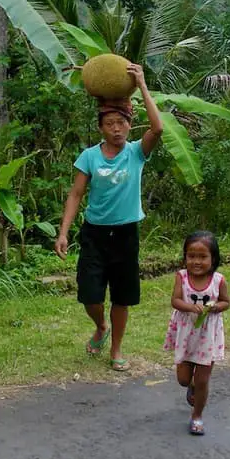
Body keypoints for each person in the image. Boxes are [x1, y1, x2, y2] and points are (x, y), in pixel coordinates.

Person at [55, 63, 163, 371]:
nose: (116, 128)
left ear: (130, 126)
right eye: (110, 123)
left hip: (126, 234)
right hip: (94, 235)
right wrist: (63, 233)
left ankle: (116, 349)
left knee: (122, 296)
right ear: (101, 127)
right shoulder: (89, 156)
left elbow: (157, 129)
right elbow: (75, 194)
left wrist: (142, 83)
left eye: (121, 123)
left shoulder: (136, 154)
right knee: (90, 295)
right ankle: (101, 326)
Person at [164, 230, 230, 434]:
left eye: (203, 257)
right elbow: (175, 300)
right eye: (191, 256)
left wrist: (216, 307)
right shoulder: (181, 277)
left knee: (203, 380)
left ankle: (197, 416)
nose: (196, 261)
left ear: (213, 258)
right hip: (186, 334)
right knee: (184, 379)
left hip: (207, 337)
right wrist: (189, 307)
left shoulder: (218, 280)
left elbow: (226, 302)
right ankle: (191, 384)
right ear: (185, 257)